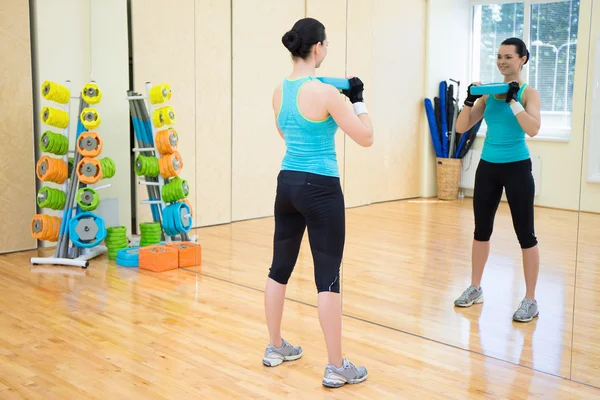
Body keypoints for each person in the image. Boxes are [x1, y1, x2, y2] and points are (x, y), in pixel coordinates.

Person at [262, 17, 374, 388]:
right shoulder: (328, 94)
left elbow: (284, 133)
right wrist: (358, 100)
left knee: (280, 267)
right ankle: (336, 365)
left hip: (287, 183)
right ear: (319, 48)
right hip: (321, 187)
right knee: (328, 276)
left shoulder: (279, 90)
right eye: (326, 45)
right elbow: (366, 137)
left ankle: (275, 346)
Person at [453, 37, 542, 323]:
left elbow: (533, 129)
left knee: (525, 234)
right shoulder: (489, 94)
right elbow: (461, 126)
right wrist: (469, 100)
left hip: (517, 167)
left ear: (522, 59)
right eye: (499, 57)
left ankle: (530, 299)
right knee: (481, 230)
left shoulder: (529, 93)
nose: (502, 62)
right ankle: (475, 287)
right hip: (488, 167)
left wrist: (515, 101)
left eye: (509, 57)